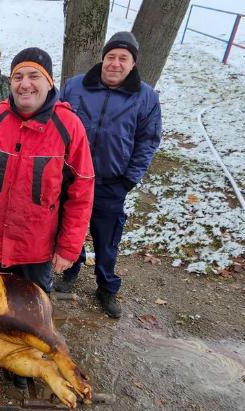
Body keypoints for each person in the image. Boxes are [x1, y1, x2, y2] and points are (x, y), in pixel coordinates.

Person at [0, 47, 94, 295]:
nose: (25, 84)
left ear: (49, 83)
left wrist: (68, 248)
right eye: (18, 77)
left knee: (30, 314)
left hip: (35, 249)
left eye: (34, 76)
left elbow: (81, 192)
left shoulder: (69, 127)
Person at [57, 31, 162, 319]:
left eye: (123, 59)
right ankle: (70, 270)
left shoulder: (146, 96)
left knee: (107, 238)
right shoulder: (75, 86)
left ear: (132, 64)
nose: (115, 64)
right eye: (111, 57)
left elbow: (148, 141)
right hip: (71, 178)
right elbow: (56, 123)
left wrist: (129, 179)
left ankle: (106, 286)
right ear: (103, 58)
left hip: (111, 182)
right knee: (68, 229)